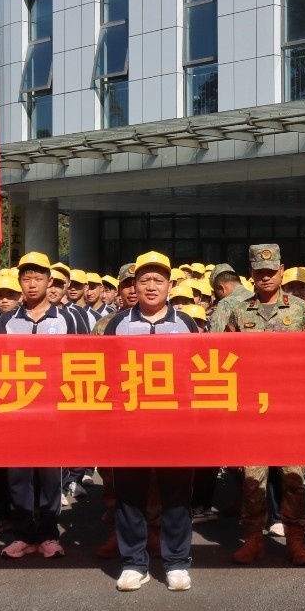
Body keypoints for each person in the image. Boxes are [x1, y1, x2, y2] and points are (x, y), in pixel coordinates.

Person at [215, 244, 305, 566]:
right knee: (252, 479)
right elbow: (226, 359)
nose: (265, 277)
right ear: (251, 273)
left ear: (281, 270)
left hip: (290, 409)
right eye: (259, 272)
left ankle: (295, 539)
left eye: (271, 271)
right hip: (253, 410)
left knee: (294, 478)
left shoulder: (301, 310)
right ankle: (253, 539)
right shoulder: (238, 311)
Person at [102, 251, 198, 591]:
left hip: (175, 424)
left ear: (170, 285)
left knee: (177, 495)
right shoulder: (117, 324)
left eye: (159, 280)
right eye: (144, 280)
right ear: (134, 285)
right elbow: (105, 371)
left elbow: (199, 369)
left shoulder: (185, 323)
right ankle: (133, 563)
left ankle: (176, 562)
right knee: (129, 495)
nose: (151, 286)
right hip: (130, 424)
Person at [0, 251, 75, 561]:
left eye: (39, 277)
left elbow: (81, 360)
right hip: (17, 410)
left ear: (50, 282)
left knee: (49, 475)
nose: (33, 283)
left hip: (53, 410)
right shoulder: (7, 320)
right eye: (27, 278)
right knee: (18, 476)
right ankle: (23, 534)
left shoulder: (68, 318)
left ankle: (49, 534)